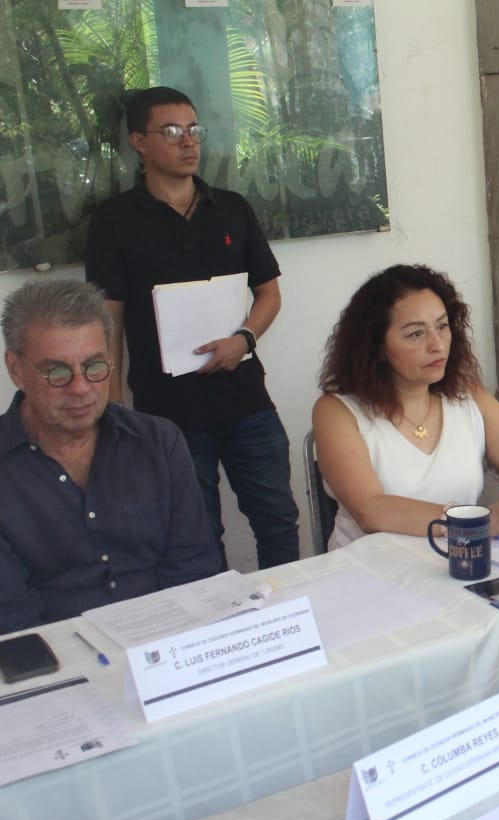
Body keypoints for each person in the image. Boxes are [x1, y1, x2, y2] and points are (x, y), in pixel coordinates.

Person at [84, 86, 299, 569]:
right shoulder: (115, 221)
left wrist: (243, 340)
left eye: (194, 129)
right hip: (168, 411)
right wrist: (112, 402)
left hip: (245, 398)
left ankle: (286, 609)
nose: (188, 141)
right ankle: (216, 619)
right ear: (139, 141)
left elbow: (269, 294)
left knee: (278, 520)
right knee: (196, 534)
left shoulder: (232, 208)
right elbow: (108, 318)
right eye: (172, 131)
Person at [0, 281, 221, 633]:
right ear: (15, 369)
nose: (80, 388)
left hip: (167, 640)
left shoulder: (158, 442)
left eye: (94, 366)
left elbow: (193, 571)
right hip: (56, 654)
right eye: (57, 372)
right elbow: (12, 619)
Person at [313, 264, 499, 550]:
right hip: (369, 568)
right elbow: (371, 509)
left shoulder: (467, 397)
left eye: (442, 326)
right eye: (416, 334)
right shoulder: (336, 412)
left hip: (460, 560)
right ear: (376, 346)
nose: (437, 345)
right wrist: (479, 521)